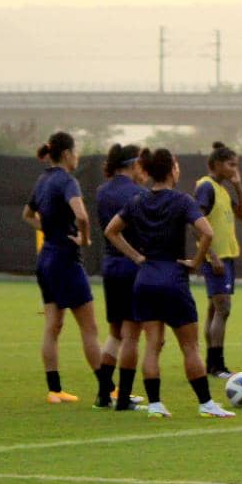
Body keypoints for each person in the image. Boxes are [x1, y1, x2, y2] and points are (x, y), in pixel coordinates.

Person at [104, 148, 235, 419]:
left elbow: (111, 231)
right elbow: (207, 232)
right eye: (176, 165)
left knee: (153, 344)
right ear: (172, 170)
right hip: (173, 278)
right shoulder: (181, 201)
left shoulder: (138, 200)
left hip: (145, 279)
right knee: (189, 346)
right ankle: (206, 404)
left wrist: (137, 256)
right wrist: (197, 261)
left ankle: (155, 405)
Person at [22, 131, 111, 405]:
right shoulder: (67, 181)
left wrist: (48, 229)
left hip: (46, 259)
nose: (78, 155)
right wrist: (83, 239)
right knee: (90, 328)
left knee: (53, 326)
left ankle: (55, 390)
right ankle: (107, 388)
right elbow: (82, 215)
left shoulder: (43, 179)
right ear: (68, 154)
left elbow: (26, 215)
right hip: (65, 261)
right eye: (76, 151)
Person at [93, 143, 147, 408]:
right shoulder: (139, 194)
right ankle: (124, 398)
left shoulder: (102, 191)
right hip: (132, 267)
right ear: (135, 165)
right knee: (132, 335)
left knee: (114, 333)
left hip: (110, 266)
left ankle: (104, 395)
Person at [194, 142, 242, 379]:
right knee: (223, 309)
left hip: (226, 256)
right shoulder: (206, 187)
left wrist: (238, 185)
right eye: (231, 165)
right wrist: (212, 256)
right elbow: (195, 223)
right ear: (216, 164)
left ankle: (212, 363)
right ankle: (217, 365)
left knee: (214, 309)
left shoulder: (223, 189)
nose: (234, 169)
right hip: (216, 258)